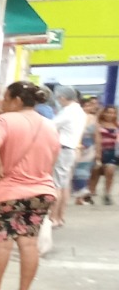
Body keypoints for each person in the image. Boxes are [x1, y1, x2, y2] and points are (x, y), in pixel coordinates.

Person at [0, 82, 60, 290]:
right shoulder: (49, 126)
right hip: (42, 192)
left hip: (8, 193)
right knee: (29, 243)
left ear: (16, 100)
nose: (3, 102)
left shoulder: (5, 120)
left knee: (2, 244)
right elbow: (52, 162)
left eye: (5, 98)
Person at [51, 87, 86, 225]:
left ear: (63, 97)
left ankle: (52, 218)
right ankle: (60, 217)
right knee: (64, 185)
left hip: (63, 149)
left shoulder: (68, 112)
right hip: (71, 149)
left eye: (59, 98)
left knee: (56, 185)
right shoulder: (79, 111)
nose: (58, 100)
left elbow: (50, 126)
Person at [72, 96, 99, 205]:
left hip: (90, 147)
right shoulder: (75, 118)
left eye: (90, 105)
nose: (88, 107)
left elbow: (96, 136)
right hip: (77, 146)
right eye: (86, 105)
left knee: (85, 172)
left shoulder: (93, 118)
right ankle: (81, 195)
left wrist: (98, 151)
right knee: (76, 172)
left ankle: (81, 196)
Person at [96, 105, 119, 204]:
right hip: (99, 150)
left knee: (110, 171)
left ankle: (107, 193)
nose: (111, 115)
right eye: (109, 112)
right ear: (104, 113)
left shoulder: (117, 125)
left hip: (112, 151)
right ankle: (90, 194)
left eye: (113, 113)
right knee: (95, 173)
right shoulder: (98, 124)